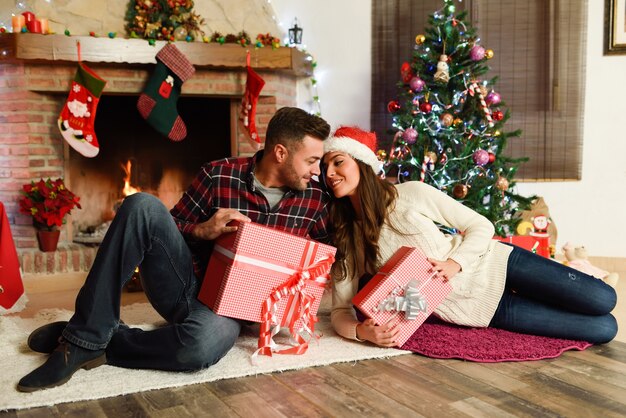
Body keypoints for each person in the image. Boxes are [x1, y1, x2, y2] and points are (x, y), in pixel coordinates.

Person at [17, 107, 332, 392]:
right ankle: (85, 335)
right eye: (311, 160)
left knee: (199, 348)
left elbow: (320, 263)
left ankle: (90, 338)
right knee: (142, 205)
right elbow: (167, 227)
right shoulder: (219, 174)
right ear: (280, 152)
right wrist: (201, 230)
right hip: (189, 288)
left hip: (233, 314)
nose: (316, 170)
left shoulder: (315, 199)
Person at [322, 126, 617, 348]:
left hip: (498, 265)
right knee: (605, 329)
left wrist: (455, 262)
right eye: (323, 168)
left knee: (603, 297)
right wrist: (361, 332)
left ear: (361, 163)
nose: (329, 173)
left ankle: (578, 271)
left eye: (337, 162)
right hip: (483, 310)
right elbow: (339, 310)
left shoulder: (410, 194)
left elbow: (481, 225)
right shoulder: (348, 238)